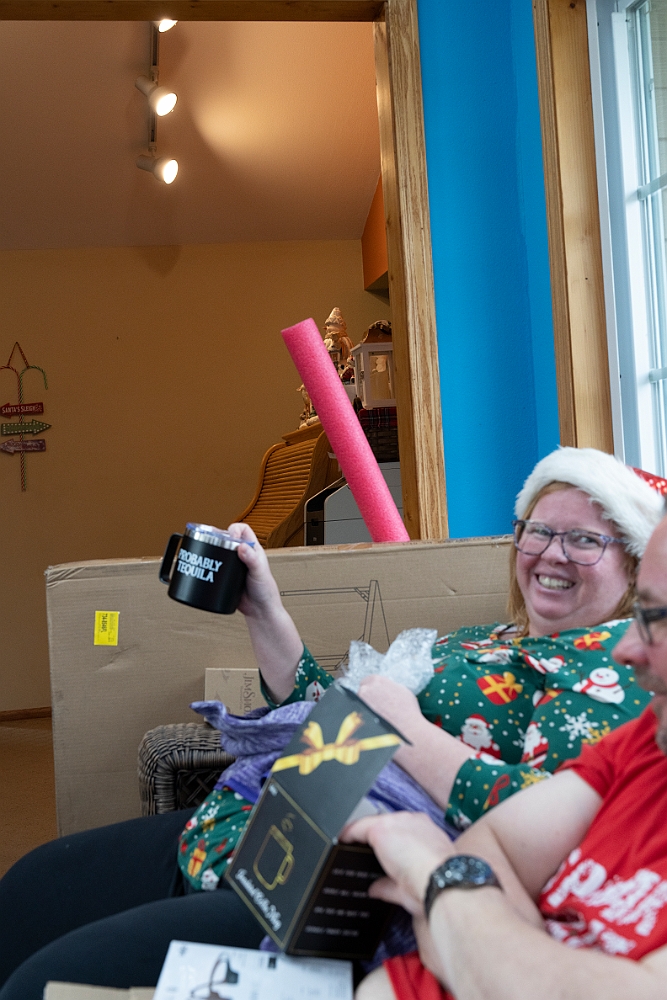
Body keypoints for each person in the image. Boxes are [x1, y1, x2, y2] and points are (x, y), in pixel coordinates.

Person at [0, 448, 662, 997]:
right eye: (538, 531)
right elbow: (331, 714)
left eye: (584, 540)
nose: (551, 553)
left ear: (634, 565)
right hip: (280, 812)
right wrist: (265, 610)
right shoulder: (489, 638)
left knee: (44, 981)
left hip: (338, 876)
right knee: (33, 889)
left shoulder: (609, 669)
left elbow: (545, 824)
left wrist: (404, 730)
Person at [345, 511, 667, 1000]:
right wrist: (493, 953)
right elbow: (490, 844)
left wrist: (440, 880)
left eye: (656, 618)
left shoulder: (607, 691)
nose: (626, 650)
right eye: (537, 530)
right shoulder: (649, 737)